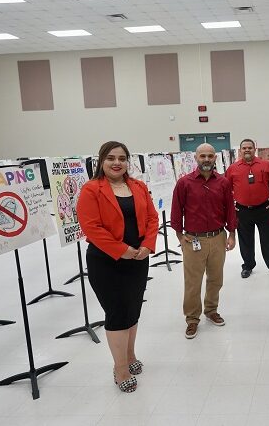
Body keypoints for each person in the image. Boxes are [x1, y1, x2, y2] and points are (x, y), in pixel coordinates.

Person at [77, 141, 159, 393]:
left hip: (138, 259)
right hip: (106, 262)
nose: (117, 163)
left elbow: (152, 218)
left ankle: (130, 356)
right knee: (117, 313)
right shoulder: (92, 189)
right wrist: (122, 250)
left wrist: (147, 245)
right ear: (101, 161)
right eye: (111, 158)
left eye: (122, 158)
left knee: (133, 309)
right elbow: (91, 227)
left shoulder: (138, 186)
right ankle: (120, 368)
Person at [171, 143, 237, 339]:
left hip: (218, 238)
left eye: (210, 156)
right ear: (196, 158)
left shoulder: (223, 182)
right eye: (203, 156)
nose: (206, 159)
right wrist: (180, 236)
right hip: (193, 239)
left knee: (216, 279)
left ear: (215, 158)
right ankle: (192, 318)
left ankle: (211, 310)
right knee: (193, 282)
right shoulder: (184, 183)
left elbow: (230, 209)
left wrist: (232, 234)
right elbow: (176, 210)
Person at [225, 139, 269, 279]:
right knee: (245, 241)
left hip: (264, 209)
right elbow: (226, 189)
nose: (247, 150)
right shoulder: (233, 168)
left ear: (254, 149)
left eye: (249, 147)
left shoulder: (266, 165)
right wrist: (231, 205)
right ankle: (248, 266)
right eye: (244, 148)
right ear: (240, 150)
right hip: (242, 211)